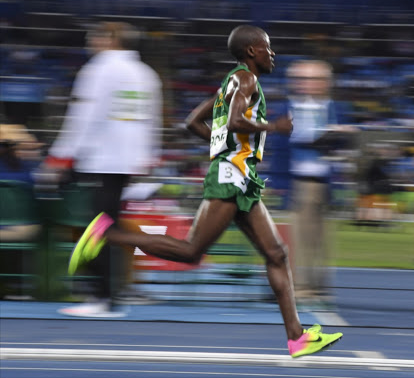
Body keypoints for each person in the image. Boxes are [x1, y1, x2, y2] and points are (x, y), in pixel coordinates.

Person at [68, 25, 342, 358]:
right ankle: (107, 234)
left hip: (242, 178)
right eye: (268, 48)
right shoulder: (246, 81)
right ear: (252, 51)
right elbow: (235, 121)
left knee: (278, 254)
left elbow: (193, 122)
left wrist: (225, 148)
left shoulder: (231, 81)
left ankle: (297, 338)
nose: (273, 54)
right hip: (230, 179)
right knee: (191, 251)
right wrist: (274, 127)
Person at [44, 22, 163, 317]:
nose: (90, 42)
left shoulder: (98, 69)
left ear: (109, 39)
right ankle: (112, 290)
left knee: (98, 226)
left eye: (93, 37)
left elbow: (83, 116)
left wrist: (60, 156)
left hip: (101, 160)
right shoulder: (146, 73)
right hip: (126, 162)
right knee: (104, 224)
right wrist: (149, 155)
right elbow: (153, 119)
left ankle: (102, 296)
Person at [285, 59, 350, 303]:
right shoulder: (288, 107)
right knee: (300, 237)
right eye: (302, 79)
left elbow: (346, 143)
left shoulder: (336, 107)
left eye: (313, 79)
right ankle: (302, 287)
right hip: (300, 179)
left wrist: (343, 136)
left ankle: (320, 287)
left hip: (327, 180)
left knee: (322, 238)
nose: (307, 84)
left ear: (326, 83)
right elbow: (285, 142)